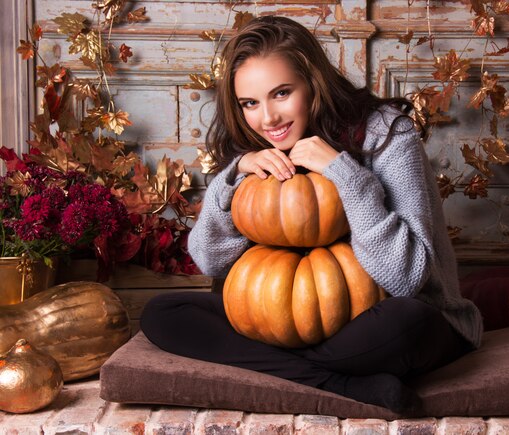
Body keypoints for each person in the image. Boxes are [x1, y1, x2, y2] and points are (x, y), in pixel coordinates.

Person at [140, 15, 483, 413]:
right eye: (250, 103)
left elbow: (407, 278)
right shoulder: (255, 145)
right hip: (291, 322)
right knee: (165, 313)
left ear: (312, 83)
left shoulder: (386, 132)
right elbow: (211, 262)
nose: (268, 118)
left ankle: (288, 371)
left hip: (391, 317)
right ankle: (335, 381)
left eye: (281, 93)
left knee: (407, 321)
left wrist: (343, 173)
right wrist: (231, 179)